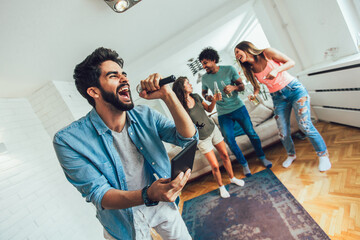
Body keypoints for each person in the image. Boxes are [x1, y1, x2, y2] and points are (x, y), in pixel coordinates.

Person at [53, 47, 198, 240]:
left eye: (124, 74)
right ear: (94, 91)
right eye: (114, 76)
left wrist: (167, 95)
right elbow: (99, 194)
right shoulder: (68, 141)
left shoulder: (145, 115)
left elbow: (188, 137)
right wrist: (149, 194)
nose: (125, 79)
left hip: (162, 203)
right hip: (122, 219)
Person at [234, 41, 331, 172]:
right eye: (235, 54)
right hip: (278, 98)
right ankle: (291, 155)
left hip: (294, 90)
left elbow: (291, 62)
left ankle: (323, 155)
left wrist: (276, 70)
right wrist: (254, 94)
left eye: (237, 51)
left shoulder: (267, 53)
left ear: (246, 48)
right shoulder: (249, 69)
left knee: (305, 125)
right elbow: (257, 87)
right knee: (282, 132)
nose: (236, 55)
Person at [198, 47, 272, 177]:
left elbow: (241, 86)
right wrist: (208, 98)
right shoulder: (205, 78)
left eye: (205, 63)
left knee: (251, 133)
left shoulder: (229, 70)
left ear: (213, 60)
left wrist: (233, 87)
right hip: (223, 113)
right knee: (229, 140)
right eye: (202, 64)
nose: (204, 66)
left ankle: (262, 157)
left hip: (238, 108)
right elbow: (204, 93)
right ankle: (244, 164)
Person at [172, 76, 245, 198]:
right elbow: (183, 126)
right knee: (215, 166)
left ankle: (232, 178)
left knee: (225, 155)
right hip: (201, 139)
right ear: (182, 88)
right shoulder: (181, 108)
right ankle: (221, 187)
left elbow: (209, 109)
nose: (190, 84)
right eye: (187, 83)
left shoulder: (195, 96)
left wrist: (215, 100)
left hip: (213, 130)